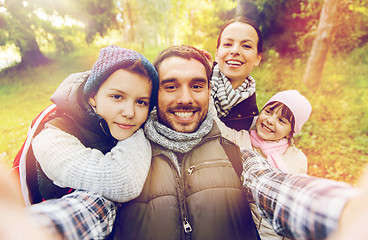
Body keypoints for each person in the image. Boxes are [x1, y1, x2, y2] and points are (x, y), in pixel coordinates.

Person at [5, 45, 362, 240]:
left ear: (209, 90)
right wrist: (41, 229)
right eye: (171, 85)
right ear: (155, 94)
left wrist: (344, 213)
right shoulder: (127, 156)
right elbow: (90, 207)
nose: (185, 98)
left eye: (197, 84)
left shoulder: (235, 151)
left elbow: (277, 189)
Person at [28, 45, 159, 203]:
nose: (129, 113)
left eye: (141, 102)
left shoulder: (120, 123)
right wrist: (140, 131)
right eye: (117, 97)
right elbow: (122, 182)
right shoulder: (51, 138)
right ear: (93, 97)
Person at [215, 89, 312, 240]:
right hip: (240, 231)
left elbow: (295, 207)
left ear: (290, 132)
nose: (270, 120)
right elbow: (217, 126)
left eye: (282, 121)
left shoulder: (297, 158)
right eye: (268, 111)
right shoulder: (241, 140)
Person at [210, 16, 263, 131]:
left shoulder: (253, 118)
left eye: (246, 46)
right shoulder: (194, 82)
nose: (235, 51)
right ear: (217, 53)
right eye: (228, 44)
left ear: (257, 59)